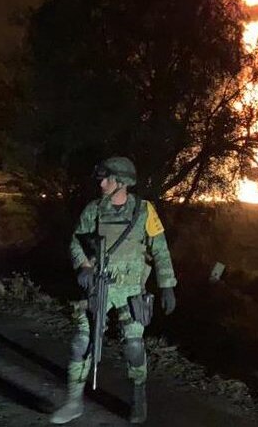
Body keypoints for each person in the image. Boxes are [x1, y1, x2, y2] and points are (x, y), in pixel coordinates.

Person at [50, 156, 178, 425]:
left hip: (131, 291)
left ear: (122, 182)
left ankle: (138, 396)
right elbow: (77, 241)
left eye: (107, 178)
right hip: (98, 286)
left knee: (133, 346)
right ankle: (73, 402)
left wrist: (167, 286)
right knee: (81, 343)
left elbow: (160, 250)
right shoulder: (93, 210)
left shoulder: (144, 211)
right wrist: (84, 266)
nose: (102, 182)